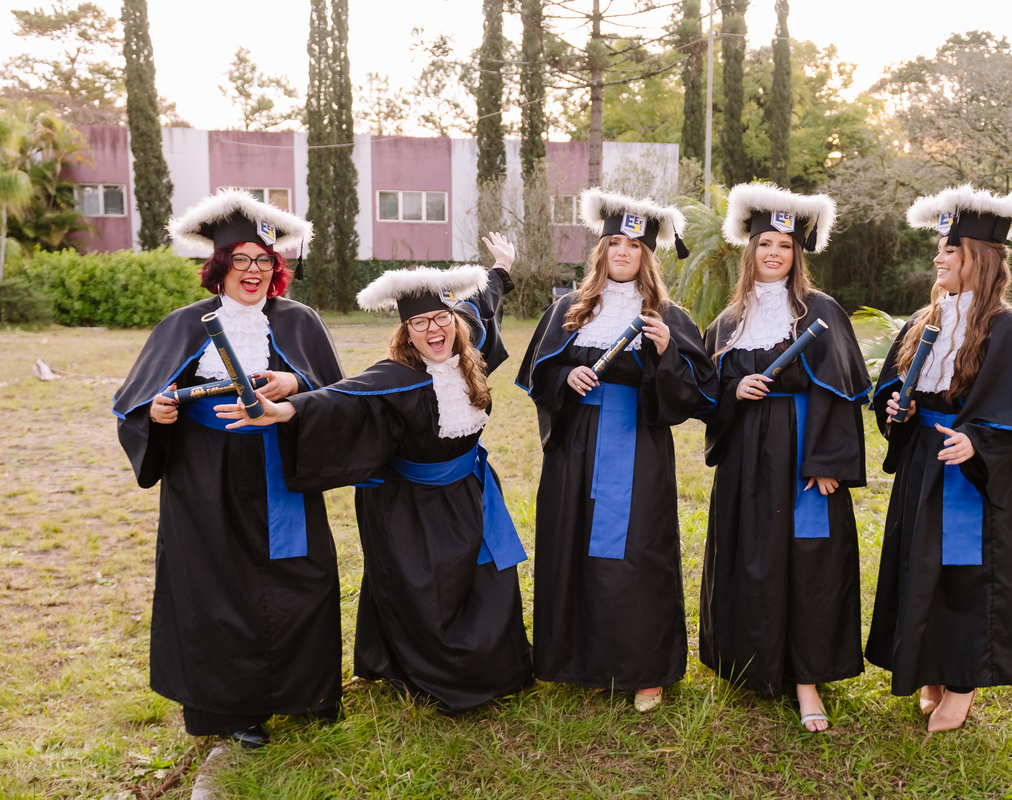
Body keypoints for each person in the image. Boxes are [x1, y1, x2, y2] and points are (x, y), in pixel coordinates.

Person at [219, 243, 534, 714]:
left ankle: (498, 666)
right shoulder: (395, 376)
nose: (434, 328)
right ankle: (431, 675)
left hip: (471, 491)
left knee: (489, 577)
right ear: (406, 331)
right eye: (419, 322)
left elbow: (483, 302)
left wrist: (501, 267)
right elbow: (337, 400)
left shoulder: (471, 348)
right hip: (413, 505)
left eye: (441, 317)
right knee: (431, 591)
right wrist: (283, 409)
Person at [112, 189, 345, 747]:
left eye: (263, 261)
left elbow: (337, 395)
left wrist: (295, 384)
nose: (252, 271)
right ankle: (232, 711)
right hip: (203, 477)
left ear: (276, 268)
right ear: (219, 266)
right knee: (215, 589)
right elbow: (136, 402)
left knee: (303, 576)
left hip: (279, 468)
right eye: (239, 259)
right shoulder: (182, 325)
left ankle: (305, 693)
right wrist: (160, 412)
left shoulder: (300, 321)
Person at [516, 190, 718, 712]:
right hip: (575, 446)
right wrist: (566, 376)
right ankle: (571, 659)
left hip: (638, 444)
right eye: (614, 243)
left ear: (647, 256)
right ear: (601, 250)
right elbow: (540, 375)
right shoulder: (569, 309)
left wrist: (665, 351)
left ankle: (643, 669)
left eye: (634, 245)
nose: (623, 252)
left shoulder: (668, 315)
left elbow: (698, 393)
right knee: (571, 541)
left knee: (637, 551)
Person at [865, 185, 1012, 732]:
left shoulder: (1007, 327)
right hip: (924, 462)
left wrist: (978, 440)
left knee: (962, 570)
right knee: (917, 562)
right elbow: (895, 392)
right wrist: (896, 412)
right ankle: (929, 668)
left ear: (980, 257)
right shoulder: (923, 322)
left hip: (968, 473)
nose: (938, 257)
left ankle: (963, 681)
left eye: (950, 249)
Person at [698, 183, 872, 732]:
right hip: (746, 457)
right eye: (765, 243)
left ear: (798, 254)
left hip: (803, 453)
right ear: (748, 251)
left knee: (807, 560)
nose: (774, 252)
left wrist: (829, 460)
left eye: (785, 245)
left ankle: (806, 680)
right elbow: (706, 398)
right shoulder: (728, 322)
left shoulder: (820, 311)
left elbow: (841, 390)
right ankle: (754, 666)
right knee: (752, 552)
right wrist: (734, 391)